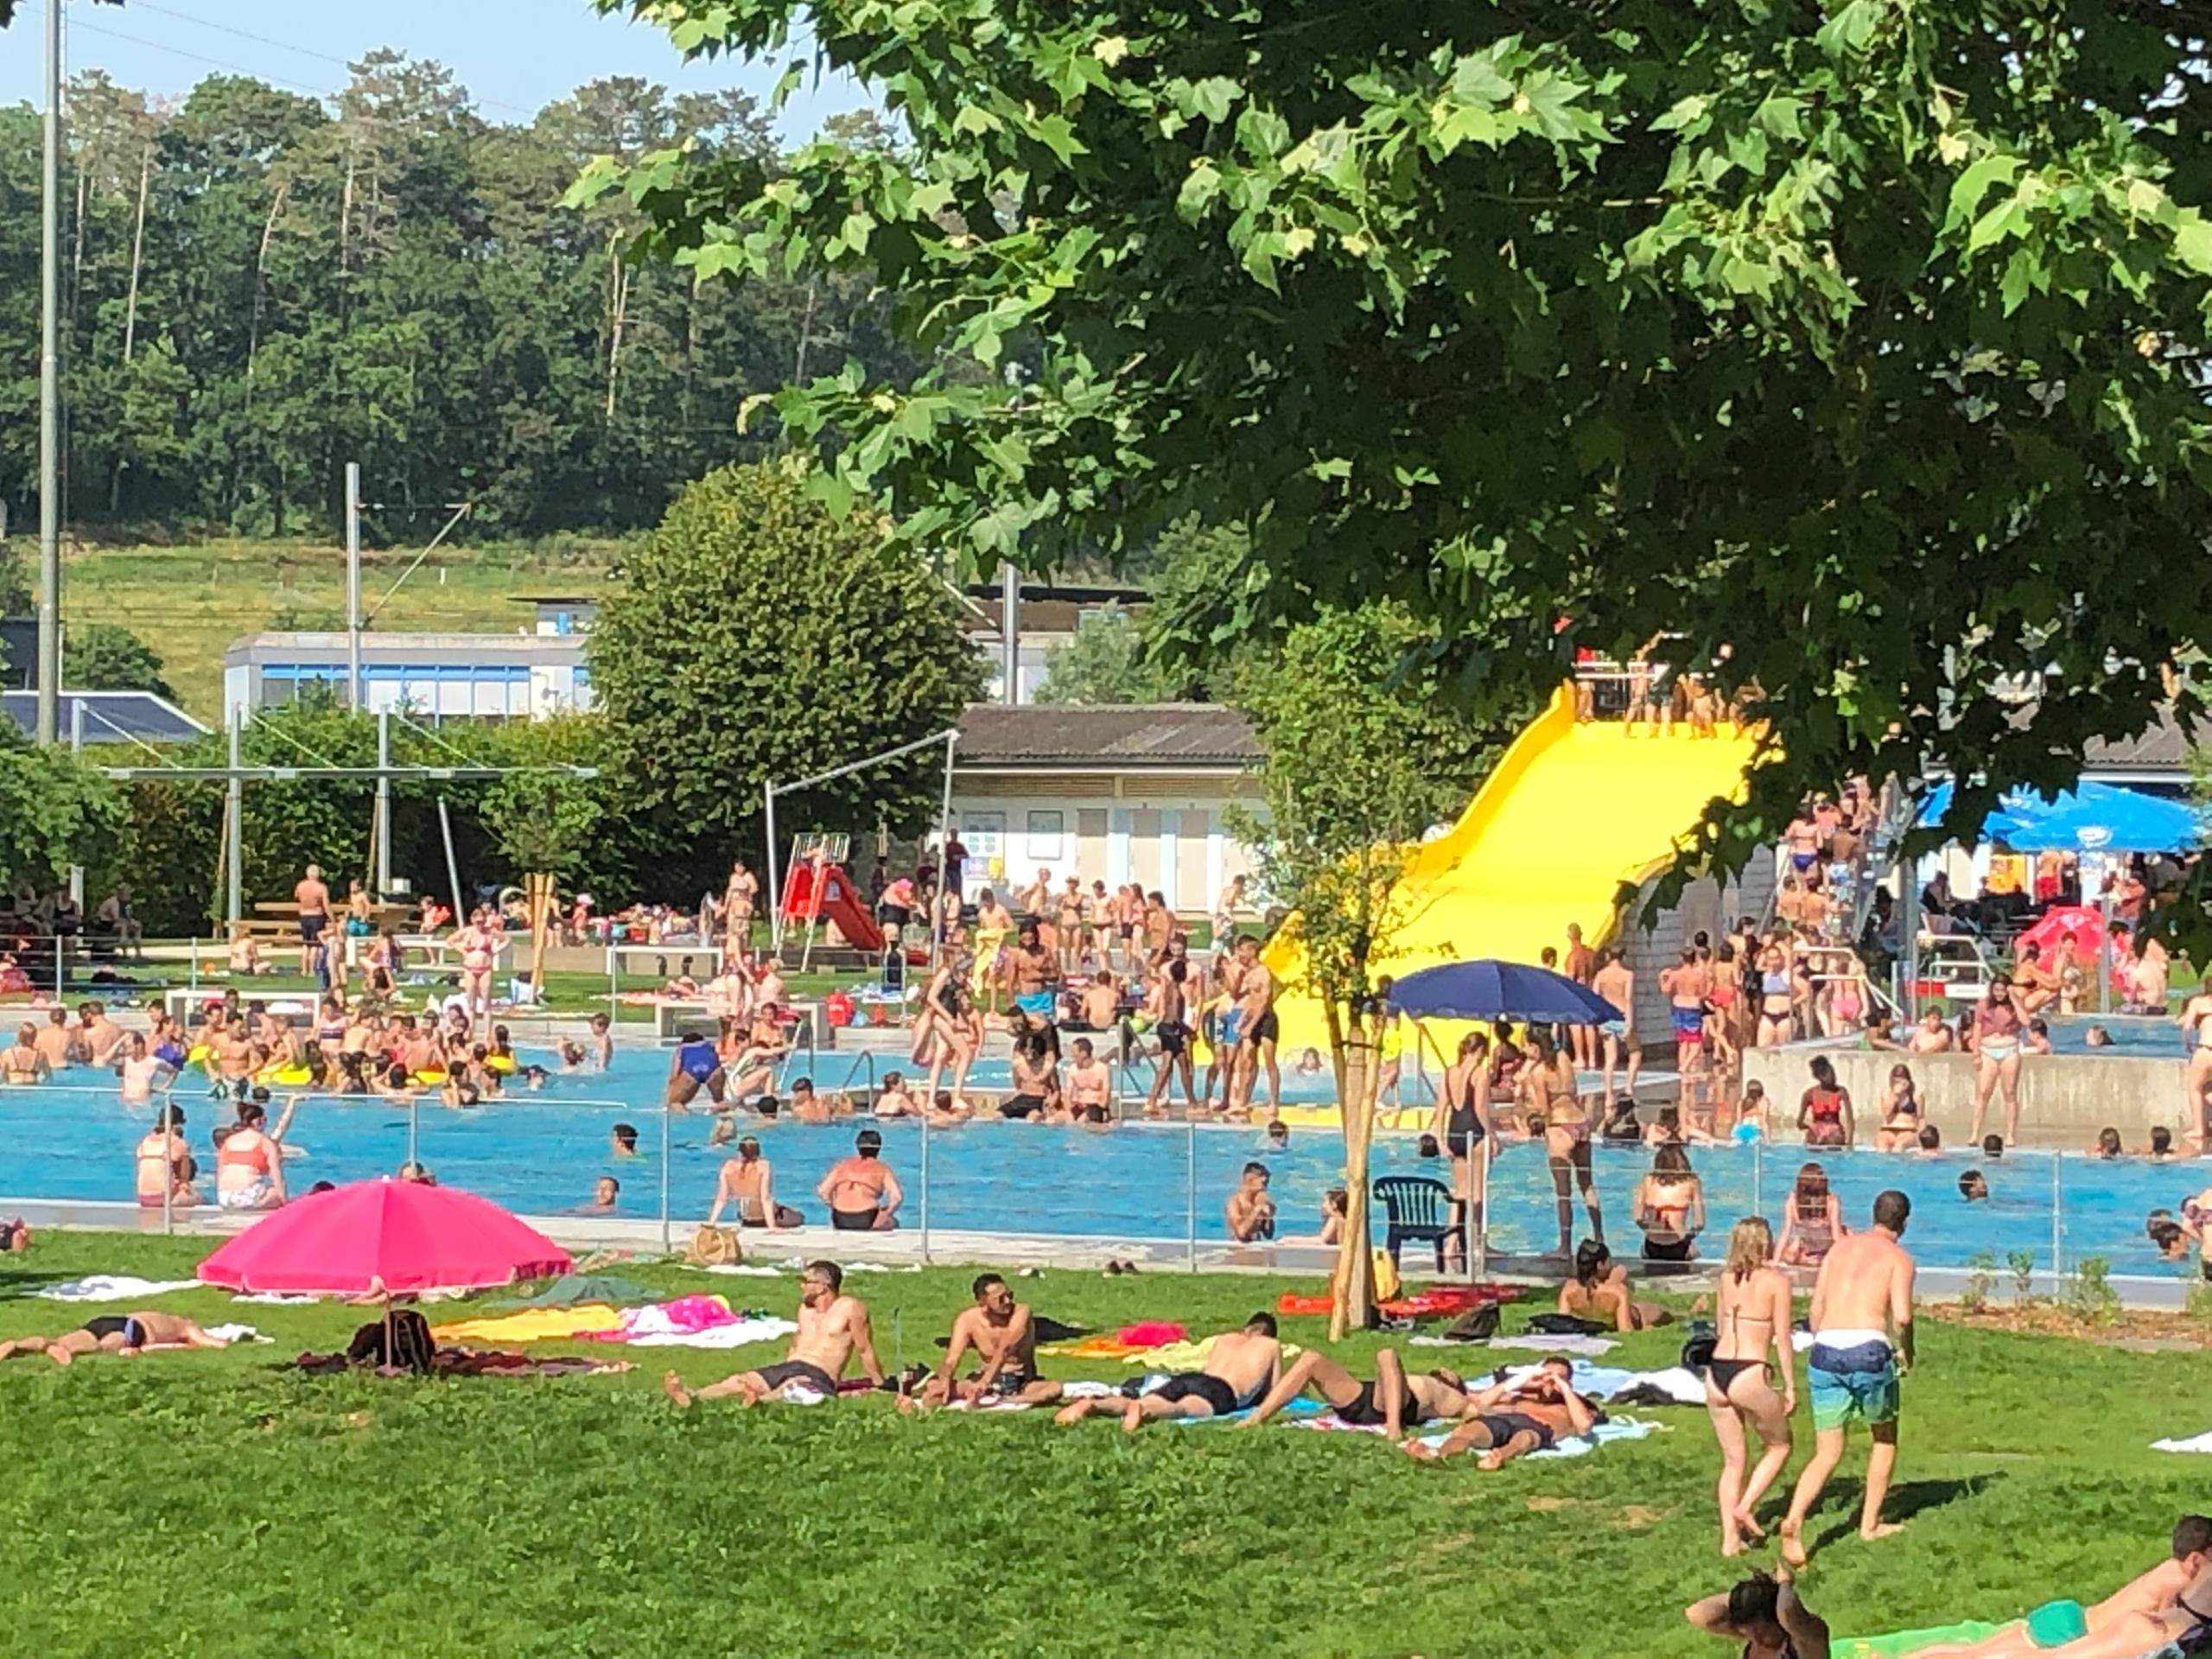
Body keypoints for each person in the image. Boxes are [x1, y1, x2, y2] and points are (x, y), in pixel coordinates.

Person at [1779, 1189, 1917, 1566]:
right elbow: (1902, 1317)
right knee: (1884, 1437)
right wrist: (1906, 1349)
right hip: (1868, 1349)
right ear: (1903, 1224)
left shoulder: (1839, 1249)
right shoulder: (1899, 1259)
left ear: (1873, 1214)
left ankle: (1793, 1519)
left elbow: (1817, 1307)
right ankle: (1869, 1524)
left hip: (1825, 1349)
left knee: (1827, 1451)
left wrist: (1824, 1341)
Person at [1904, 1515, 2212, 1658]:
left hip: (2071, 1613)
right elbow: (2168, 1624)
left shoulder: (2167, 1568)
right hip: (2074, 1629)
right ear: (2197, 1559)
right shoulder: (2178, 1579)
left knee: (1972, 1652)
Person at [663, 1260, 883, 1408]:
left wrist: (879, 1384)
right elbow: (797, 1343)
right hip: (790, 1365)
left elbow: (865, 1349)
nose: (802, 1287)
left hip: (819, 1373)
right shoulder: (805, 1308)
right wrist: (779, 1372)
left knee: (794, 1387)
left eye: (806, 1282)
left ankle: (760, 1400)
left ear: (823, 1286)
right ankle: (693, 1397)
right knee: (740, 1379)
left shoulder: (851, 1308)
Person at [1704, 1217, 1797, 1558]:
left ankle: (1730, 1540)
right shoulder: (1777, 1282)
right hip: (1750, 1369)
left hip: (1718, 1371)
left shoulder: (1725, 1278)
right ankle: (1745, 1506)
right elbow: (1783, 1338)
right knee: (1780, 1446)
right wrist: (1790, 1386)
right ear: (1765, 1242)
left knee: (1733, 1462)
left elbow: (1719, 1326)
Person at [1052, 1313, 1281, 1430]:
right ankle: (1142, 1411)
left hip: (1195, 1377)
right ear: (1270, 1334)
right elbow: (1276, 1390)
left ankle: (1095, 1405)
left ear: (1247, 1328)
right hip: (1222, 1390)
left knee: (1149, 1398)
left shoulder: (1226, 1338)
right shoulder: (1271, 1346)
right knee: (1181, 1408)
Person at [1405, 1356, 1599, 1468]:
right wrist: (1522, 1381)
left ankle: (1498, 1457)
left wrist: (1564, 1388)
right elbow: (1480, 1403)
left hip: (1539, 1428)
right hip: (1505, 1420)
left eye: (1558, 1378)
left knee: (1525, 1438)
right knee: (1469, 1431)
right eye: (1548, 1375)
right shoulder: (1520, 1396)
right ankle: (1438, 1454)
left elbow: (1584, 1426)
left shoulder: (1572, 1405)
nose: (1550, 1382)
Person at [906, 1273, 1064, 1409]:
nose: (1008, 1301)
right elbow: (952, 1358)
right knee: (937, 1393)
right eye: (1001, 1299)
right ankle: (912, 1402)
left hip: (1022, 1383)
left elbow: (1005, 1349)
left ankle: (1008, 1401)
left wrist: (984, 1383)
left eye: (1010, 1295)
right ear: (983, 1302)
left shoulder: (1021, 1313)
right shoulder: (968, 1320)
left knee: (1054, 1389)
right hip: (985, 1381)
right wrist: (945, 1381)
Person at [1242, 1344, 1471, 1437]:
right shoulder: (1421, 1379)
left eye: (1450, 1373)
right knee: (1311, 1359)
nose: (1444, 1370)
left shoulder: (1453, 1396)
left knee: (1386, 1354)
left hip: (1398, 1407)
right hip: (1364, 1397)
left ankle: (1393, 1429)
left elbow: (1479, 1408)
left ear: (1454, 1382)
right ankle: (1258, 1417)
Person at [1524, 1027, 1600, 1254]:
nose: (1524, 1050)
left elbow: (1543, 1108)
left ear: (1536, 1047)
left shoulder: (1538, 1073)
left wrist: (1527, 1103)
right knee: (1587, 1185)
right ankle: (1599, 1236)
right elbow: (1574, 1090)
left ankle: (1565, 1246)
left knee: (1563, 1192)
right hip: (1580, 1123)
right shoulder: (1565, 1058)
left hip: (1559, 1127)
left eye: (1527, 1045)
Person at [1685, 1565, 1830, 1659]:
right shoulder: (1757, 1642)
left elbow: (1787, 1610)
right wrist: (1745, 1596)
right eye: (1750, 1636)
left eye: (1762, 1634)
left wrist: (1784, 1584)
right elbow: (1697, 1613)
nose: (1759, 1642)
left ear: (1777, 1619)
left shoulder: (1808, 1638)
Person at [0, 1310, 231, 1366]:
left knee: (61, 1339)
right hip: (132, 1331)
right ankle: (69, 1353)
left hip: (110, 1320)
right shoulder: (188, 1327)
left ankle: (20, 1345)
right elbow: (217, 1345)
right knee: (101, 1347)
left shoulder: (163, 1316)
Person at [1559, 1237, 1674, 1331]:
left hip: (1601, 1321)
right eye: (1609, 1261)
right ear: (1600, 1265)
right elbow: (1625, 1329)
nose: (1611, 1264)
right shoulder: (1617, 1292)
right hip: (1639, 1316)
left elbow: (1562, 1322)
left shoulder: (1569, 1289)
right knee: (1661, 1313)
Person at [1224, 934, 1281, 1120]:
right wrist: (1242, 1020)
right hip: (1251, 1020)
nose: (1239, 954)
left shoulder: (1264, 973)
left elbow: (1264, 1003)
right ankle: (1242, 1101)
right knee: (1247, 1059)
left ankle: (1273, 1101)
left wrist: (1251, 1025)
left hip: (1266, 1020)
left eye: (1242, 950)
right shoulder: (1247, 973)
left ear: (1252, 950)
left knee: (1269, 1062)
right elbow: (1249, 1000)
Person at [1969, 980, 2026, 1144]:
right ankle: (1974, 1133)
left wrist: (2014, 998)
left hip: (2009, 1049)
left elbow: (2026, 1021)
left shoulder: (2015, 1003)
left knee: (2009, 1092)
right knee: (1983, 1092)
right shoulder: (1984, 1005)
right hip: (1988, 1050)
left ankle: (2010, 1135)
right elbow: (1978, 1027)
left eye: (2003, 990)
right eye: (1997, 990)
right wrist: (1976, 1053)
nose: (1999, 994)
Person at [709, 1135, 804, 1229]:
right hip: (769, 1218)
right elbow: (765, 1199)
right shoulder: (763, 1166)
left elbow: (721, 1199)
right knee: (800, 1217)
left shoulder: (728, 1167)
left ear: (740, 1152)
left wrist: (711, 1223)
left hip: (745, 1220)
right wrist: (772, 1226)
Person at [817, 1127, 902, 1230]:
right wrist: (886, 1213)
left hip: (839, 1218)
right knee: (893, 1222)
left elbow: (822, 1192)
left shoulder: (842, 1166)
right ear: (878, 1148)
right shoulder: (882, 1169)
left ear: (858, 1147)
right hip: (866, 1217)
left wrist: (833, 1206)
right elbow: (897, 1198)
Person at [1635, 1143, 1707, 1262]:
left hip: (1652, 1243)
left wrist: (1652, 1227)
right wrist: (1687, 1236)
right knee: (1695, 1255)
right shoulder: (1692, 1182)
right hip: (1679, 1242)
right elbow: (1699, 1223)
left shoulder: (1648, 1180)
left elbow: (1638, 1218)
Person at [1777, 1162, 1844, 1270]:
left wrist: (1776, 1261)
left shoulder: (1793, 1201)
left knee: (1793, 1246)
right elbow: (1836, 1236)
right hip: (1825, 1253)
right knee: (1846, 1232)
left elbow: (1785, 1233)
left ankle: (1803, 1259)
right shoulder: (1832, 1201)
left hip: (1805, 1252)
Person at [1594, 947, 1640, 1103]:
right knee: (1635, 1052)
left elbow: (1595, 999)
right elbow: (1628, 999)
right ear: (1623, 956)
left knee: (1610, 1059)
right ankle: (1628, 1087)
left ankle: (1608, 1095)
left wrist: (1598, 1022)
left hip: (1606, 1017)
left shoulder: (1600, 975)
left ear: (1608, 956)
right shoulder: (1627, 975)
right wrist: (1630, 1023)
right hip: (1621, 1016)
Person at [134, 1103, 200, 1209]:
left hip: (143, 1197)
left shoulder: (144, 1142)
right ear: (178, 1124)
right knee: (197, 1197)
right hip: (165, 1198)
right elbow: (184, 1179)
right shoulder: (178, 1143)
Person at [1798, 1055, 1853, 1149]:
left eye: (1832, 1073)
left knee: (1833, 1137)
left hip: (1834, 1132)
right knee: (1813, 1136)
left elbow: (1850, 1121)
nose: (1832, 1077)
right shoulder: (1809, 1094)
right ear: (1818, 1077)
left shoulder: (1841, 1092)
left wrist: (1849, 1142)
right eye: (1827, 1074)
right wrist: (1811, 1127)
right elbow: (1799, 1123)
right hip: (1819, 1131)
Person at [664, 1029, 727, 1112]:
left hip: (692, 1072)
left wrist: (669, 1095)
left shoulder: (682, 1048)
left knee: (675, 1102)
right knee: (720, 1101)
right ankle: (716, 1114)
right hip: (714, 1070)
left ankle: (687, 1117)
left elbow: (674, 1076)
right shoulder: (709, 1045)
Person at [1875, 1064, 1923, 1153]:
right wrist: (1896, 1095)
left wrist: (1925, 1139)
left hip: (1908, 1130)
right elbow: (1887, 1113)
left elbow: (1920, 1118)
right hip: (1888, 1129)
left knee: (1899, 1145)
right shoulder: (1887, 1093)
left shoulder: (1916, 1094)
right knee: (1882, 1145)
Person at [295, 861, 331, 977]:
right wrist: (332, 918)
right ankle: (311, 970)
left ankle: (303, 970)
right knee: (315, 944)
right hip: (316, 915)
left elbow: (296, 896)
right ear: (318, 874)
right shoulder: (321, 887)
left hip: (304, 916)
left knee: (305, 943)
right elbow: (326, 905)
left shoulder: (300, 885)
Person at [1226, 1161, 1276, 1243]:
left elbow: (1269, 1235)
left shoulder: (1259, 1201)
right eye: (1263, 1184)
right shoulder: (1234, 1202)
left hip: (1257, 1249)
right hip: (1239, 1252)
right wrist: (1257, 1210)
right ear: (1249, 1180)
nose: (1265, 1189)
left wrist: (1269, 1217)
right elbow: (1241, 1233)